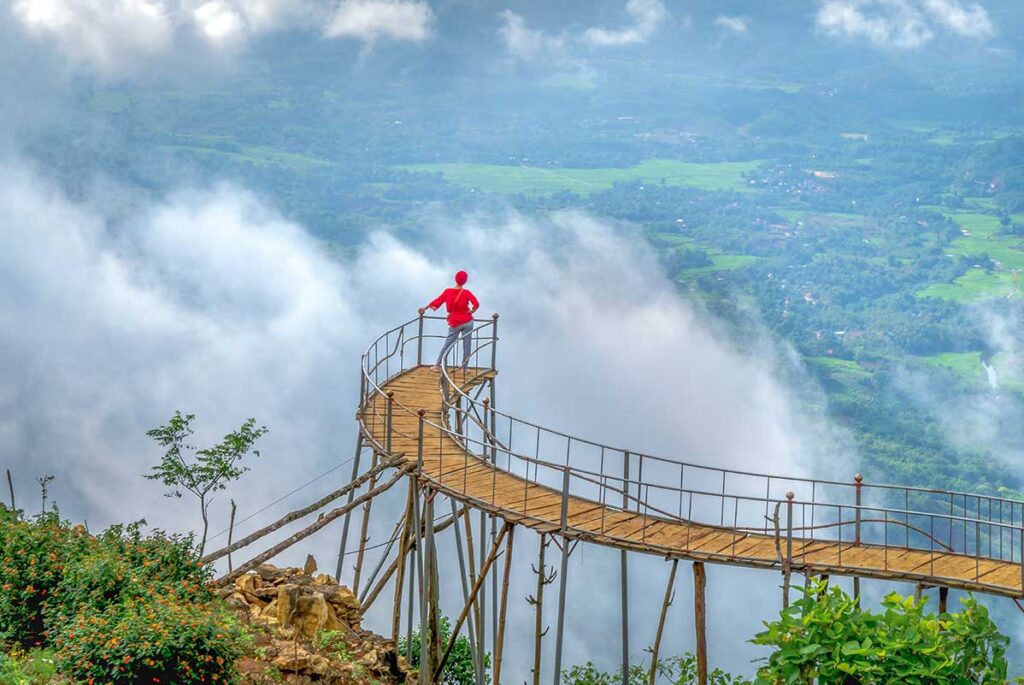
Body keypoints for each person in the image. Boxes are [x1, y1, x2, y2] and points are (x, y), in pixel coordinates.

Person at [419, 270, 479, 372]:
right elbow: (476, 304)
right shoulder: (467, 293)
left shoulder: (448, 292)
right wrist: (470, 312)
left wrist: (426, 307)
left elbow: (438, 301)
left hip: (455, 322)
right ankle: (464, 368)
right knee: (467, 344)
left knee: (448, 343)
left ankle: (437, 365)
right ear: (465, 281)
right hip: (468, 321)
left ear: (455, 279)